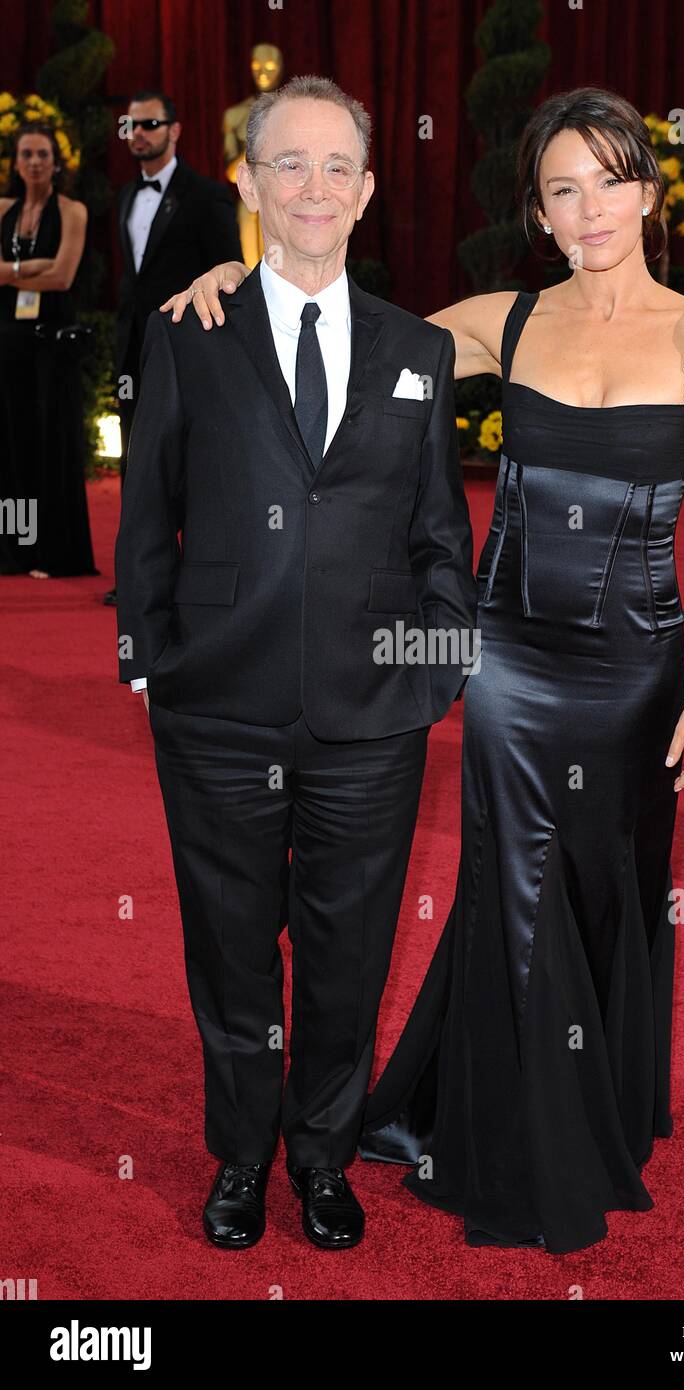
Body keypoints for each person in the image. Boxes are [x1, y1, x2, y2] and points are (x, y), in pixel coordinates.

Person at [163, 85, 684, 1254]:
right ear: (538, 212)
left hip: (640, 667)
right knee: (517, 892)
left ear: (649, 189)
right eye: (561, 191)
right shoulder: (504, 324)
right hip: (507, 668)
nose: (589, 212)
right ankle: (519, 1133)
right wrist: (242, 283)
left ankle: (599, 1094)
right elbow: (331, 329)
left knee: (609, 885)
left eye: (609, 183)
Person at [114, 74, 476, 1253]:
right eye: (289, 164)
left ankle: (322, 1157)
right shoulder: (187, 329)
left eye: (336, 167)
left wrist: (436, 671)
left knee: (346, 951)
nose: (312, 187)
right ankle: (241, 1154)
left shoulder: (418, 350)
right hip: (216, 705)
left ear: (366, 191)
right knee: (227, 951)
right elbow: (146, 508)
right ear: (252, 184)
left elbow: (440, 533)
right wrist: (148, 658)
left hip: (374, 716)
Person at [103, 90, 243, 604]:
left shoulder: (205, 195)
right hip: (134, 352)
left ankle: (200, 574)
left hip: (191, 349)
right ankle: (140, 578)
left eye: (150, 124)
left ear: (175, 130)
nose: (138, 134)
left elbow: (230, 271)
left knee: (191, 463)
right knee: (136, 463)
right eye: (131, 126)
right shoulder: (122, 196)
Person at [0, 122, 97, 578]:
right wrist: (35, 265)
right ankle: (18, 549)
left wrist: (10, 269)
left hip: (54, 342)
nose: (35, 161)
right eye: (27, 154)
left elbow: (62, 276)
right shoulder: (2, 208)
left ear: (56, 162)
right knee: (12, 445)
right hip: (8, 340)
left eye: (42, 153)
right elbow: (45, 268)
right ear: (15, 163)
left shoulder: (73, 210)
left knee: (52, 442)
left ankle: (57, 554)